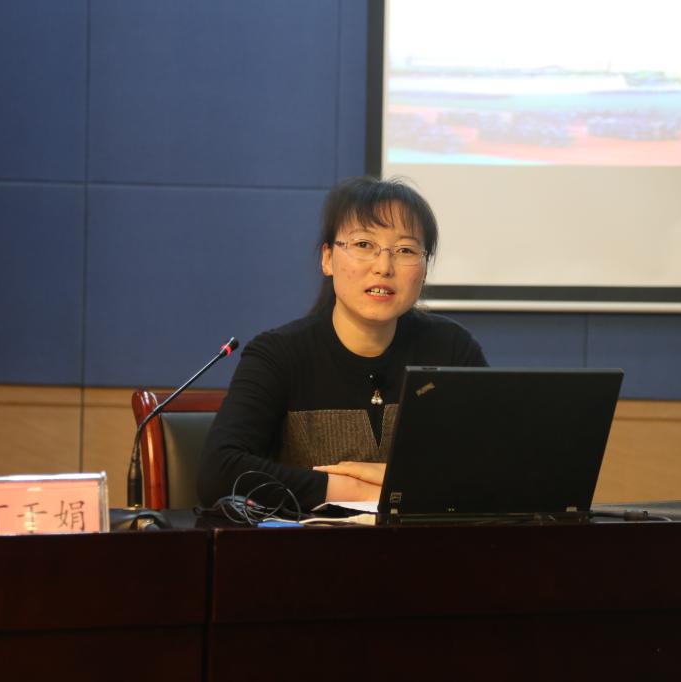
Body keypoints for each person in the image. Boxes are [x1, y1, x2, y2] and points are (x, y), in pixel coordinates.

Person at [197, 176, 487, 510]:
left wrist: (398, 481)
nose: (384, 267)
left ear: (424, 269)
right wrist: (353, 490)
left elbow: (503, 466)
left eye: (405, 250)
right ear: (327, 259)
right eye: (364, 244)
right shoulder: (278, 355)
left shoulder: (452, 350)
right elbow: (217, 473)